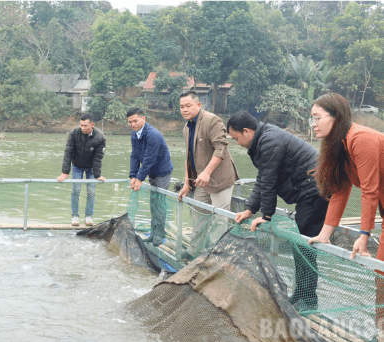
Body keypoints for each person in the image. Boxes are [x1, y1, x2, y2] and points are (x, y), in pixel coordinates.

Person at [229, 111, 329, 312]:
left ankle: (308, 301)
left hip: (315, 192)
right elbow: (263, 178)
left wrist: (266, 216)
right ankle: (301, 295)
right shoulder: (265, 138)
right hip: (308, 193)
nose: (237, 142)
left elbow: (269, 181)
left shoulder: (270, 141)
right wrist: (250, 209)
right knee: (300, 245)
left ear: (247, 131)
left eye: (236, 138)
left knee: (304, 246)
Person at [306, 93, 384, 335]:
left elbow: (369, 191)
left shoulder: (362, 139)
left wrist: (363, 236)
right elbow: (340, 191)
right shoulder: (338, 145)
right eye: (311, 119)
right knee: (380, 274)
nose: (314, 124)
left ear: (336, 117)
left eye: (317, 118)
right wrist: (324, 234)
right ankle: (381, 337)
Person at [177, 90, 239, 260]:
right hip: (201, 181)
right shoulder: (186, 128)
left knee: (220, 219)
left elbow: (221, 148)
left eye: (188, 105)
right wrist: (187, 183)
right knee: (198, 215)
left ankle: (216, 255)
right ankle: (193, 251)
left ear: (198, 105)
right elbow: (189, 158)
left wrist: (207, 172)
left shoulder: (212, 120)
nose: (184, 109)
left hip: (220, 180)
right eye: (181, 106)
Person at [127, 107, 173, 246]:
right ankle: (153, 233)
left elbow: (149, 158)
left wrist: (140, 179)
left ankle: (159, 235)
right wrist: (133, 176)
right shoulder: (135, 134)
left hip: (162, 171)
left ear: (143, 118)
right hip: (150, 171)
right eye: (130, 122)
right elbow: (135, 155)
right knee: (153, 204)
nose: (133, 124)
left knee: (158, 203)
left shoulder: (153, 135)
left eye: (135, 121)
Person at [57, 113, 106, 227]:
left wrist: (97, 174)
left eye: (85, 125)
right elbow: (68, 152)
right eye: (81, 125)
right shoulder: (75, 133)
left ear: (92, 125)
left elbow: (98, 158)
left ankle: (88, 216)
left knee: (91, 191)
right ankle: (75, 216)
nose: (83, 128)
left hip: (91, 168)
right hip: (77, 165)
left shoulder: (100, 137)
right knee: (76, 190)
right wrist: (65, 172)